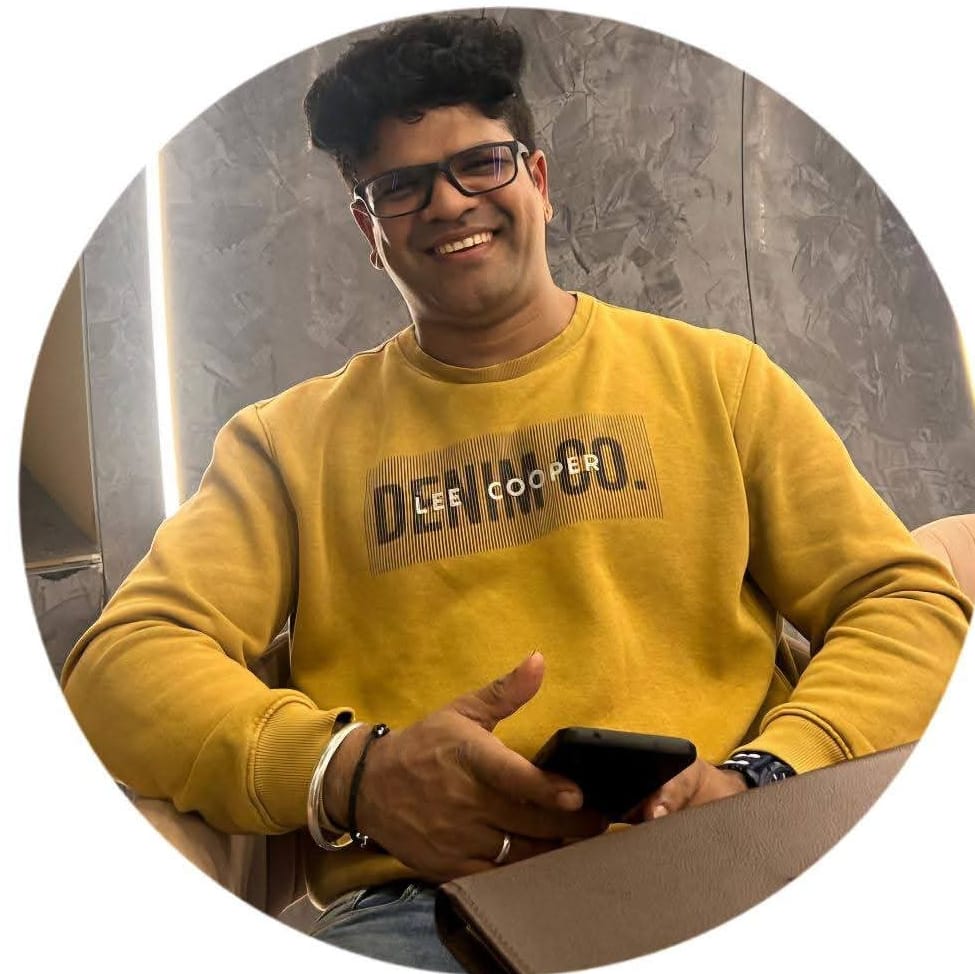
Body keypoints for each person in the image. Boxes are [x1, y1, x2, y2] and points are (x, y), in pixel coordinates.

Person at [61, 13, 971, 972]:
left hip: (731, 859)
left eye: (480, 165)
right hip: (429, 908)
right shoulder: (286, 443)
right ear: (369, 230)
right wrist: (354, 773)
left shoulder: (718, 379)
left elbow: (902, 600)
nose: (447, 203)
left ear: (537, 179)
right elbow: (123, 661)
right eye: (401, 187)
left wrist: (767, 777)